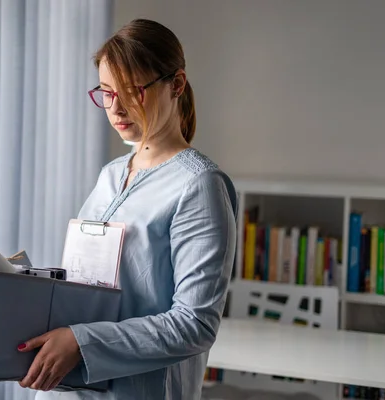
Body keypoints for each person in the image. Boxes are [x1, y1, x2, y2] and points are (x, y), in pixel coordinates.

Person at [17, 18, 237, 400]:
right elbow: (91, 284)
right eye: (105, 92)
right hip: (68, 387)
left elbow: (194, 324)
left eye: (132, 91)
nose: (115, 108)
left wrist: (81, 342)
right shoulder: (112, 173)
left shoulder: (198, 185)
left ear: (177, 85)